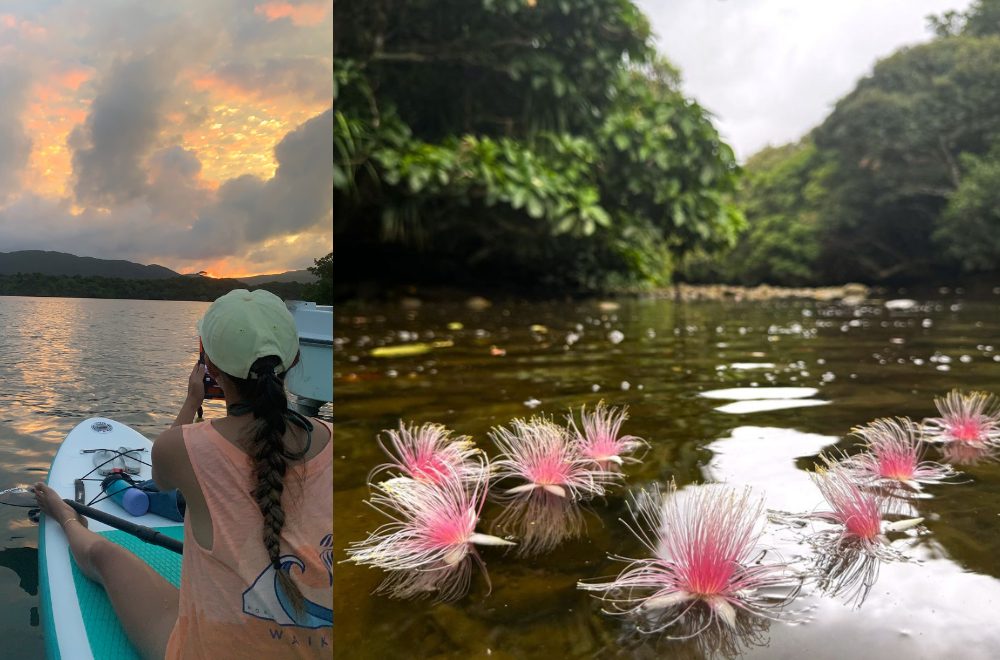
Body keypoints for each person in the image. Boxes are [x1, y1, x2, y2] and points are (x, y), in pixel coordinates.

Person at [34, 289, 333, 659]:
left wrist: (193, 400)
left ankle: (64, 514)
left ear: (210, 368)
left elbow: (161, 479)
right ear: (295, 358)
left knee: (105, 557)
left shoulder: (182, 448)